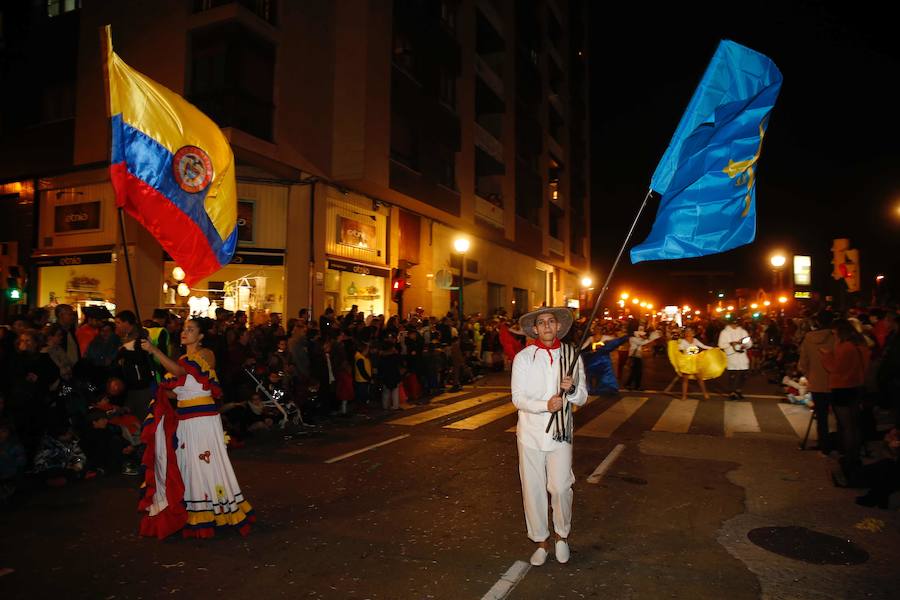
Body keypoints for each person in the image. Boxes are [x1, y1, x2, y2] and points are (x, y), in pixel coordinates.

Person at [138, 318, 254, 539]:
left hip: (203, 421)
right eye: (184, 329)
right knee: (188, 465)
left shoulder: (205, 355)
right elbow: (179, 390)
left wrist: (154, 350)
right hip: (186, 420)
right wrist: (161, 392)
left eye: (191, 330)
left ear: (200, 336)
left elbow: (181, 373)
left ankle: (216, 510)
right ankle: (193, 511)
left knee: (206, 463)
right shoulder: (182, 359)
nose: (185, 332)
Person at [511, 307, 587, 567]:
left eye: (550, 322)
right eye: (540, 323)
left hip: (560, 433)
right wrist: (546, 405)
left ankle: (562, 536)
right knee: (533, 489)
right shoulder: (523, 358)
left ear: (558, 327)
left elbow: (583, 397)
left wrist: (573, 388)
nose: (545, 327)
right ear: (534, 329)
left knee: (560, 486)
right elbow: (518, 398)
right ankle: (541, 541)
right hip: (530, 433)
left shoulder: (572, 356)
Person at [821, 318, 870, 487]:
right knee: (854, 424)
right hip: (857, 386)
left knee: (846, 425)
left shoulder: (845, 347)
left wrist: (826, 355)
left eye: (835, 333)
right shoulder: (862, 346)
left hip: (842, 387)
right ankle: (854, 455)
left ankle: (849, 457)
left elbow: (834, 368)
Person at [798, 311, 835, 453]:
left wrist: (809, 374)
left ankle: (824, 444)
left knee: (821, 416)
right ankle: (842, 444)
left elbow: (804, 361)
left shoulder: (809, 338)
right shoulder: (835, 337)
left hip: (817, 381)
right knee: (841, 416)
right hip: (835, 380)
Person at [676, 327, 714, 400]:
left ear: (693, 333)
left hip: (695, 361)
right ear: (685, 333)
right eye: (687, 332)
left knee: (699, 378)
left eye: (690, 331)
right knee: (685, 380)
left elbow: (703, 346)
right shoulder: (682, 341)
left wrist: (713, 348)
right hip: (687, 362)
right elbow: (679, 349)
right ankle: (684, 396)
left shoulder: (695, 340)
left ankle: (705, 393)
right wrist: (678, 346)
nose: (688, 333)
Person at [718, 319, 752, 400]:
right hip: (731, 357)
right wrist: (730, 343)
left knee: (743, 375)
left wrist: (745, 345)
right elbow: (721, 345)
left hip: (742, 357)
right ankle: (732, 392)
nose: (734, 325)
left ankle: (738, 390)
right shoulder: (724, 332)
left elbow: (749, 343)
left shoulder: (743, 331)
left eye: (736, 323)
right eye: (732, 323)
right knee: (732, 375)